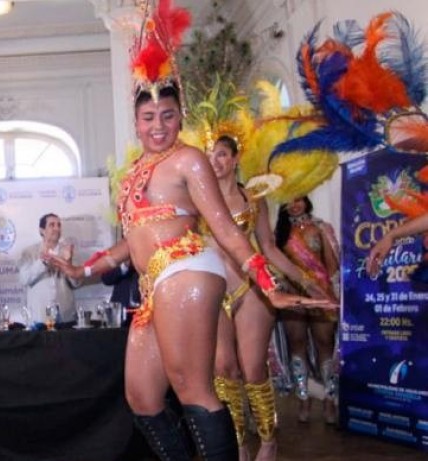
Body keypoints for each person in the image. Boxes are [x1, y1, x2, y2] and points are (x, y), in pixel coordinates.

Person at [48, 3, 331, 459]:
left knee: (193, 386)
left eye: (167, 115)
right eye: (148, 117)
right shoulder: (133, 173)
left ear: (180, 116)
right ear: (136, 122)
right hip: (153, 284)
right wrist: (82, 270)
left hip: (186, 268)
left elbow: (224, 227)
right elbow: (130, 242)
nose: (158, 126)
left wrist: (268, 283)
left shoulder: (189, 160)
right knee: (142, 396)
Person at [205, 136, 331, 460]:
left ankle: (268, 440)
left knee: (253, 370)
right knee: (224, 370)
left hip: (251, 290)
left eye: (221, 154)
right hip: (214, 294)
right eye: (209, 155)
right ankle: (238, 441)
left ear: (235, 158)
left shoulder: (253, 200)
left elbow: (269, 248)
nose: (215, 160)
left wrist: (305, 281)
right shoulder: (199, 199)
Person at [274, 196, 340, 424]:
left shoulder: (321, 227)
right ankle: (303, 398)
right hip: (293, 297)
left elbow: (332, 264)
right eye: (289, 201)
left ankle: (330, 400)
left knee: (325, 344)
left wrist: (327, 290)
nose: (294, 205)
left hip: (321, 295)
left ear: (307, 200)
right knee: (296, 343)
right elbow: (275, 267)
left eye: (299, 199)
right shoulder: (279, 233)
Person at [18, 213, 79, 324]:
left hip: (65, 317)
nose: (57, 228)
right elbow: (24, 279)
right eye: (52, 225)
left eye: (59, 225)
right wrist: (43, 262)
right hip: (39, 318)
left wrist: (68, 263)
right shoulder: (29, 252)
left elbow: (76, 283)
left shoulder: (67, 251)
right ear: (42, 230)